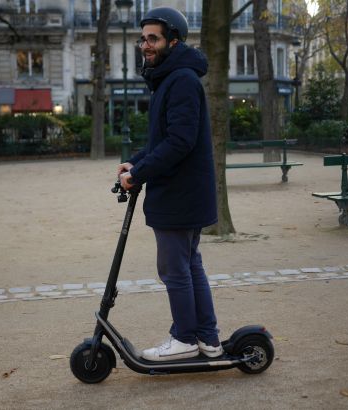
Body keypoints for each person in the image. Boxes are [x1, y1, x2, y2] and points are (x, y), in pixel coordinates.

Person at [117, 7, 222, 362]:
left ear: (172, 41)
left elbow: (180, 142)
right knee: (190, 266)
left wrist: (138, 174)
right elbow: (164, 137)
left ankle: (185, 339)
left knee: (175, 270)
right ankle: (207, 338)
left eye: (153, 38)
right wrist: (136, 161)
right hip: (183, 195)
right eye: (143, 38)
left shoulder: (181, 80)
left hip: (180, 196)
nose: (145, 44)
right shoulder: (171, 77)